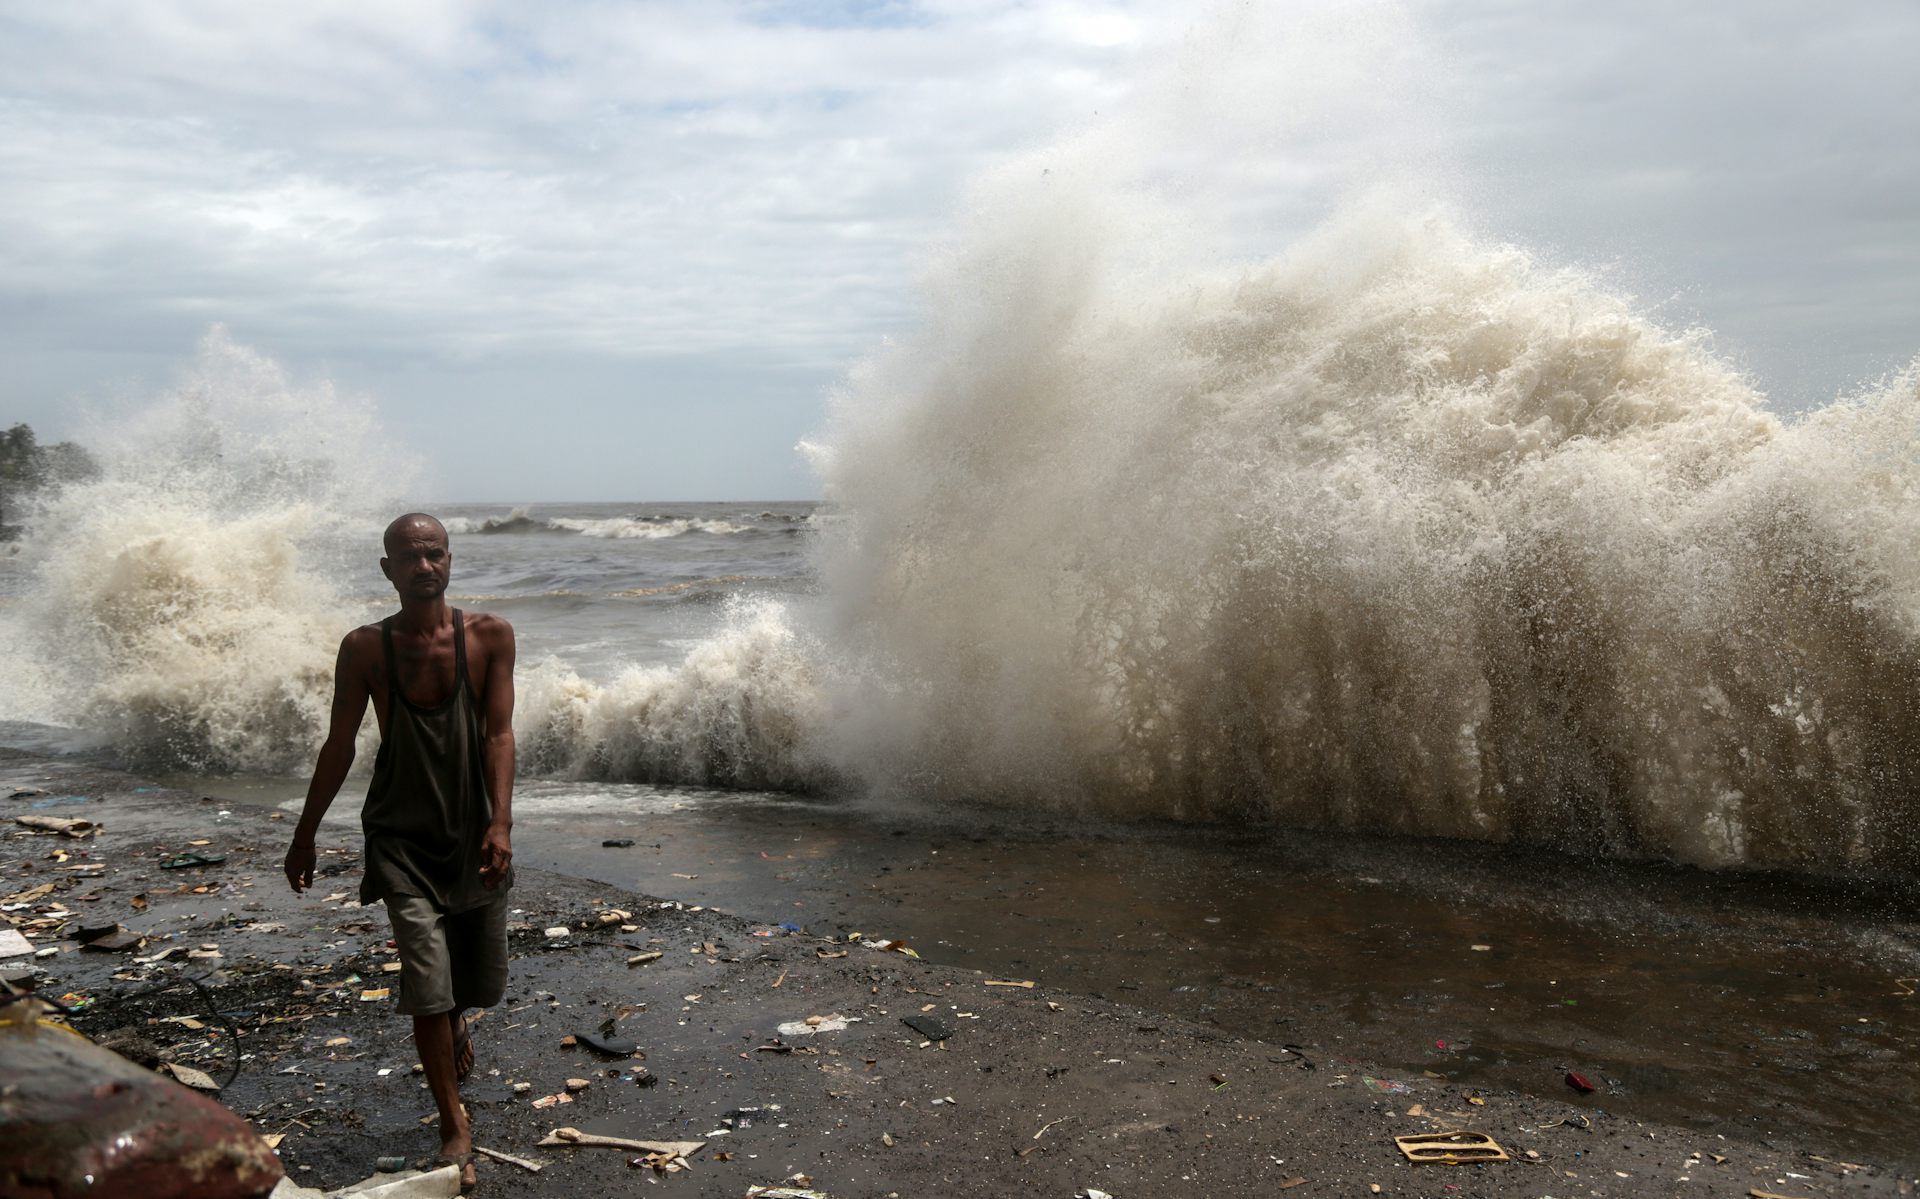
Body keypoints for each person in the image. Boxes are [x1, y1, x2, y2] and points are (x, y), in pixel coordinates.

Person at [284, 512, 515, 1192]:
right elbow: (340, 743)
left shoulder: (491, 635)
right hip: (399, 838)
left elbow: (499, 734)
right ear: (387, 569)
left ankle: (456, 1019)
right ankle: (453, 1123)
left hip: (471, 834)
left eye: (433, 553)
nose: (423, 566)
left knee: (479, 986)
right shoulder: (365, 648)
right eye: (409, 557)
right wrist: (304, 833)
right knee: (426, 985)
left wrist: (501, 822)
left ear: (450, 559)